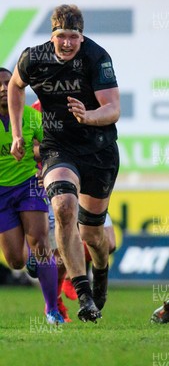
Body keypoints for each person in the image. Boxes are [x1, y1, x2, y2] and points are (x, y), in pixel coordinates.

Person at [8, 4, 120, 323]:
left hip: (99, 150)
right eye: (62, 36)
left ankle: (100, 271)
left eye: (74, 36)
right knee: (63, 207)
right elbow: (15, 86)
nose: (68, 43)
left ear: (81, 37)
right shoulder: (33, 58)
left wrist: (89, 116)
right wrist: (18, 133)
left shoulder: (97, 57)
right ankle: (84, 296)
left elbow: (113, 109)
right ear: (52, 35)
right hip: (58, 148)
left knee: (96, 238)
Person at [0, 67, 62, 324]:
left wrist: (41, 161)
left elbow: (53, 148)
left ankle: (52, 310)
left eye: (8, 83)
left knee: (41, 244)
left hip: (29, 185)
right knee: (15, 261)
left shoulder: (31, 117)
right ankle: (32, 259)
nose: (4, 88)